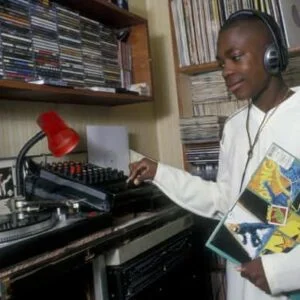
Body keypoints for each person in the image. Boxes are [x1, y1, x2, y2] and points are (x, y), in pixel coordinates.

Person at [127, 9, 300, 300]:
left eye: (236, 57)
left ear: (272, 56)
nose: (226, 71)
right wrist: (159, 173)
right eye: (222, 63)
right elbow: (223, 200)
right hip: (242, 288)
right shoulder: (233, 128)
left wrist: (281, 272)